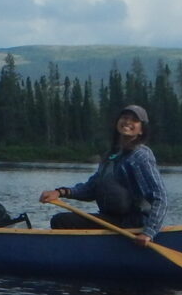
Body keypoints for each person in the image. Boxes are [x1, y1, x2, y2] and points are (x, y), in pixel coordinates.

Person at [39, 104, 165, 244]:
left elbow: (159, 196)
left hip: (133, 224)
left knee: (61, 221)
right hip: (112, 220)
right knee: (61, 220)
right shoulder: (111, 155)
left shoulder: (141, 156)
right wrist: (61, 192)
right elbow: (91, 188)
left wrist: (149, 232)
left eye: (134, 120)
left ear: (141, 130)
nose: (127, 122)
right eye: (124, 117)